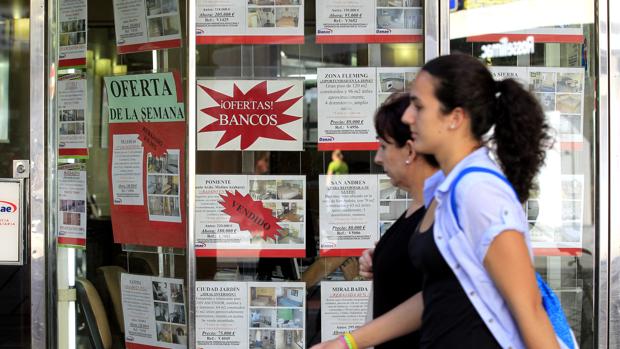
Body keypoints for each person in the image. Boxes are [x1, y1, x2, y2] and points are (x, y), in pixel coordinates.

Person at [311, 54, 562, 349]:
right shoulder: (448, 189)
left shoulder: (479, 192)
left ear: (455, 118)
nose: (407, 117)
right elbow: (439, 294)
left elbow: (529, 310)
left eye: (418, 106)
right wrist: (347, 342)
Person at [358, 92, 441, 349]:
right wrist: (381, 259)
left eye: (384, 146)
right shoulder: (417, 208)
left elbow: (435, 296)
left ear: (409, 150)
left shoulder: (441, 212)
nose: (377, 158)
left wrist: (347, 342)